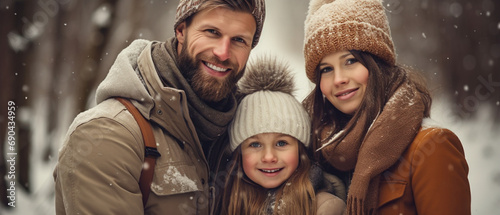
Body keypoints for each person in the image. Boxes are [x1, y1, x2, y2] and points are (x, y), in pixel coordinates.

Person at [53, 0, 265, 214]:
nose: (223, 52)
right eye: (212, 32)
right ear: (181, 30)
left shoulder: (247, 137)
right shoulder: (107, 135)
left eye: (239, 40)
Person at [302, 0, 471, 214]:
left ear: (377, 64)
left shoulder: (431, 147)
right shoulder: (318, 153)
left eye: (350, 61)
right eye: (326, 69)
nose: (338, 79)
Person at [219, 57, 346, 215]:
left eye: (281, 143)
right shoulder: (226, 203)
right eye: (255, 145)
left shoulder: (325, 207)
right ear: (239, 152)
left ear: (300, 150)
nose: (269, 157)